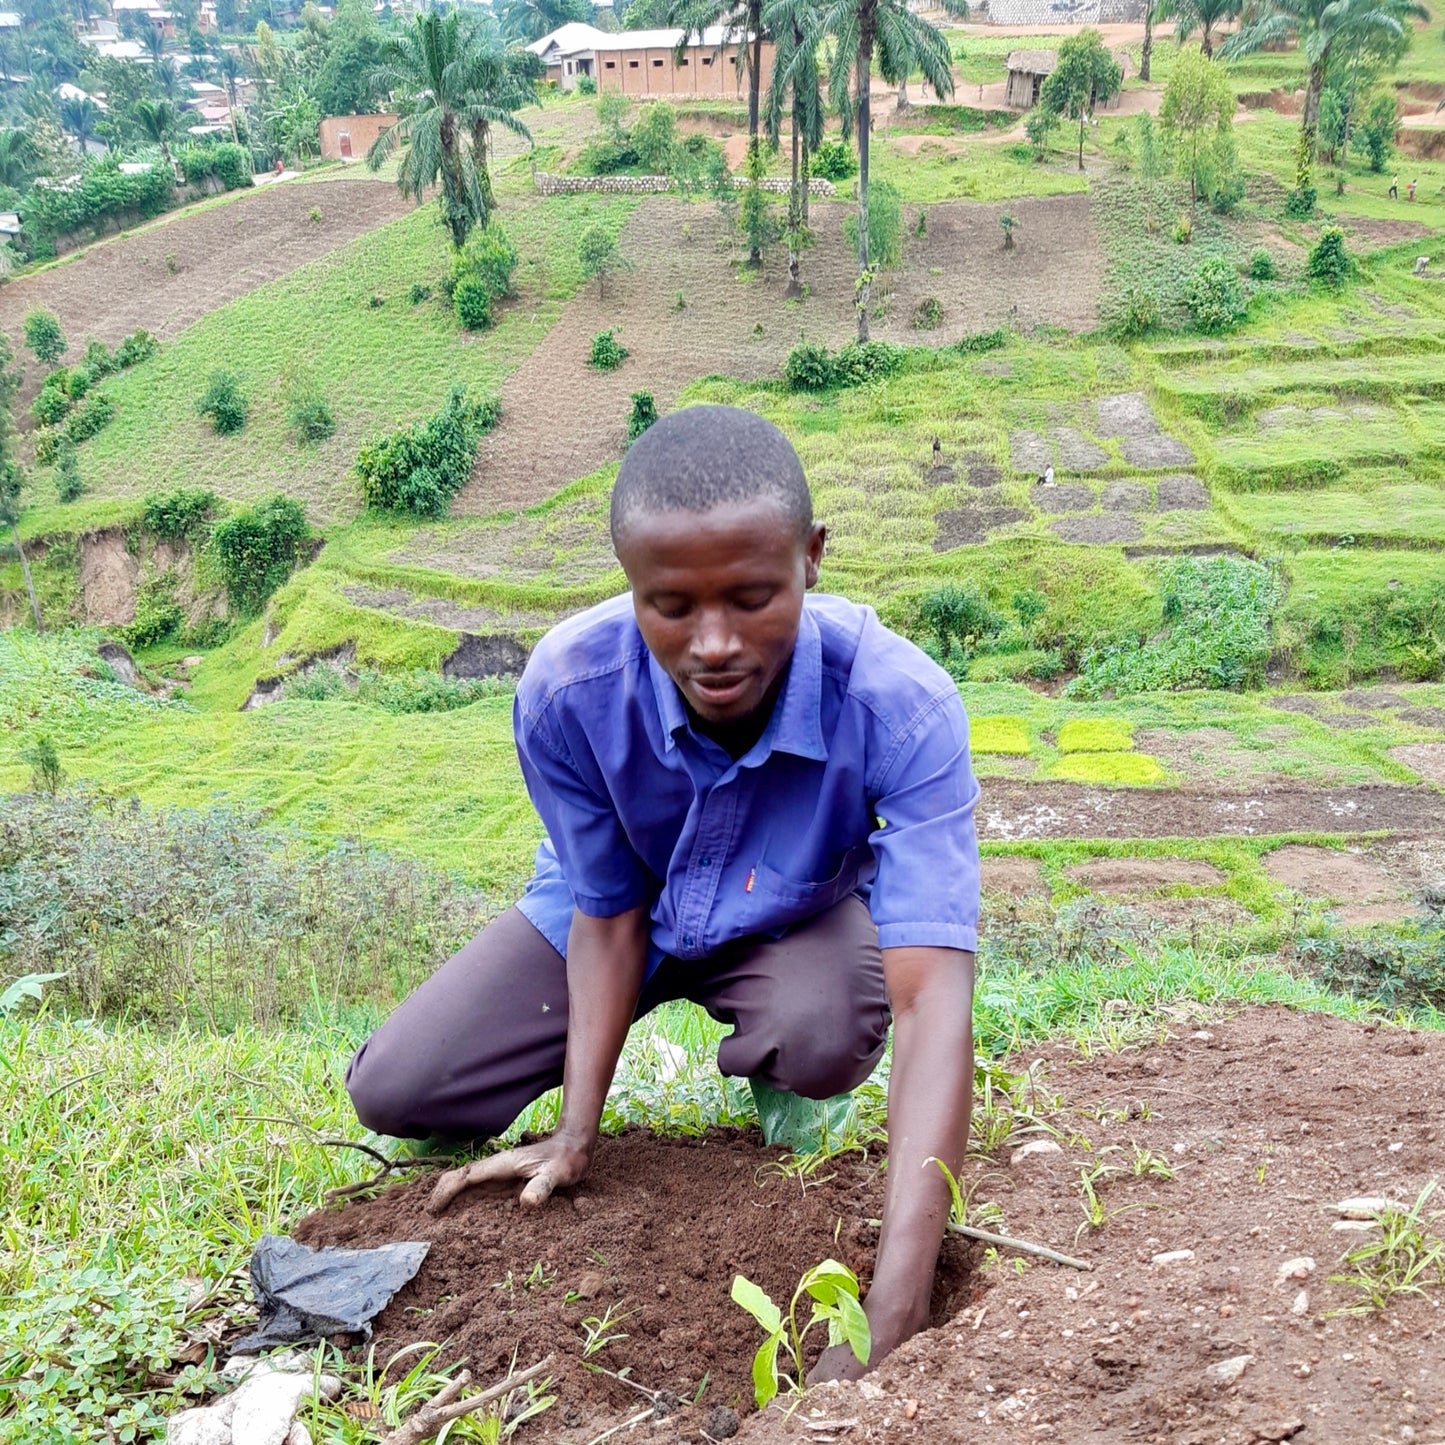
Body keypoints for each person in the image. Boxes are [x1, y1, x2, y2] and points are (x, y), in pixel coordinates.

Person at [346, 405, 980, 1380]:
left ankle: (781, 1067)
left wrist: (895, 1298)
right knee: (399, 1085)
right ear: (630, 583)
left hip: (787, 916)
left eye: (753, 595)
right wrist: (574, 1132)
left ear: (812, 557)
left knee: (820, 1026)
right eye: (671, 605)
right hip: (615, 913)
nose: (714, 642)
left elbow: (931, 990)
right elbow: (603, 908)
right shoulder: (565, 688)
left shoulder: (901, 705)